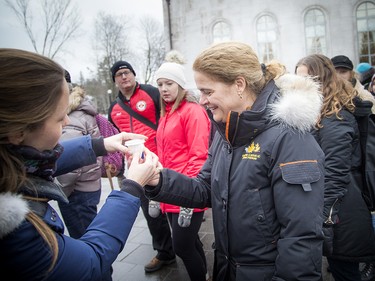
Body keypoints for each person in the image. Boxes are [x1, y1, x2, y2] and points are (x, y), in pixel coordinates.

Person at [143, 41, 326, 281]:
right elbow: (205, 188)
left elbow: (301, 238)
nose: (201, 101)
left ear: (239, 84)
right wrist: (159, 180)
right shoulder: (226, 130)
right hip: (227, 268)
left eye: (208, 92)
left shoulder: (289, 138)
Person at [0, 48, 160, 281]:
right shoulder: (17, 231)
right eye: (59, 117)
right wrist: (132, 186)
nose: (67, 121)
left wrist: (100, 145)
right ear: (17, 132)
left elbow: (32, 164)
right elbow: (92, 262)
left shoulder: (11, 162)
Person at [295, 54, 375, 281]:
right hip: (332, 208)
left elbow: (335, 173)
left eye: (307, 79)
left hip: (341, 211)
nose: (302, 85)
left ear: (321, 80)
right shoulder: (320, 112)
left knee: (344, 272)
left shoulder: (335, 117)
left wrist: (326, 219)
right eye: (299, 79)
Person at [108, 60, 175, 273]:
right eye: (119, 75)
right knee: (151, 212)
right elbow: (112, 138)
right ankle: (165, 253)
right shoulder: (113, 108)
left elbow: (170, 116)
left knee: (176, 204)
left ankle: (189, 246)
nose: (124, 77)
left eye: (127, 72)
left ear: (134, 75)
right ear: (115, 80)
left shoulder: (152, 93)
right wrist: (114, 164)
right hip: (137, 166)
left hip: (163, 160)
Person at [154, 54, 211, 281]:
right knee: (191, 241)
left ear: (180, 84)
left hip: (184, 191)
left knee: (182, 247)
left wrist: (187, 193)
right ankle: (205, 274)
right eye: (160, 84)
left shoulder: (192, 111)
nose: (164, 89)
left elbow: (199, 155)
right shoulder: (167, 114)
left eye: (169, 83)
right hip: (170, 190)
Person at [56, 86, 102, 239]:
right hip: (89, 184)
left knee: (85, 240)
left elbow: (71, 167)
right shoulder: (84, 112)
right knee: (92, 235)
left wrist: (61, 191)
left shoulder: (70, 117)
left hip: (76, 191)